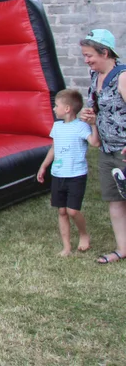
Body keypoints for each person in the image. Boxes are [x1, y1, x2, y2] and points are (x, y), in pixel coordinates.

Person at [77, 28, 126, 264]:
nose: (87, 60)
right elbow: (101, 111)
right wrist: (91, 118)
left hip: (124, 150)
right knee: (115, 200)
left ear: (105, 52)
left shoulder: (123, 76)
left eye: (89, 55)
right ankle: (122, 248)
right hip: (107, 149)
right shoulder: (95, 76)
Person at [37, 88, 99, 256]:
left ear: (67, 109)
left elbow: (94, 143)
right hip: (58, 175)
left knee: (72, 211)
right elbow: (54, 148)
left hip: (76, 175)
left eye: (56, 105)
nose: (54, 108)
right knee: (62, 211)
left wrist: (93, 125)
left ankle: (84, 234)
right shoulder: (57, 127)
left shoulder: (81, 127)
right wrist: (44, 166)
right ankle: (66, 247)